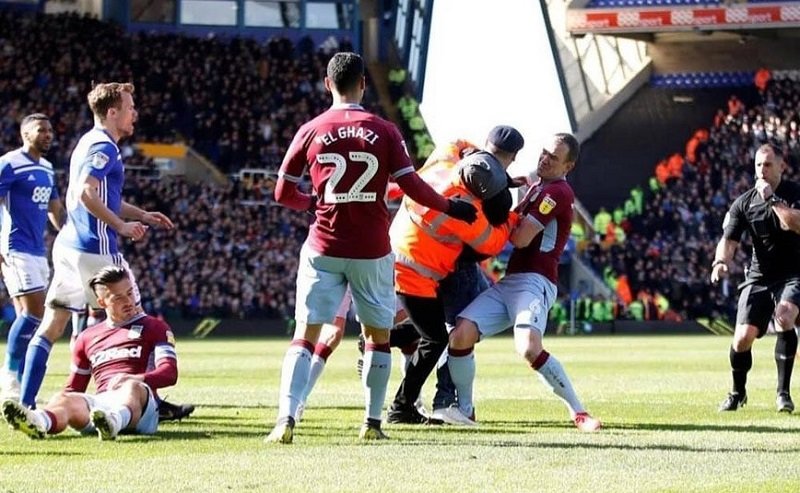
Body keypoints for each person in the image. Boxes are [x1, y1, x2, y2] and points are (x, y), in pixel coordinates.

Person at [266, 52, 477, 443]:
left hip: (323, 245)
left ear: (328, 84)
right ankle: (371, 423)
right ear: (363, 83)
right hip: (372, 250)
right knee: (377, 337)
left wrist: (314, 203)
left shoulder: (309, 129)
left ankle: (285, 419)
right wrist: (451, 207)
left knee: (305, 335)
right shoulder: (384, 130)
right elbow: (412, 187)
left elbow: (282, 193)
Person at [18, 82, 175, 409]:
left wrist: (142, 214)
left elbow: (104, 197)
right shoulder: (105, 147)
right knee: (135, 318)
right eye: (130, 107)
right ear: (112, 112)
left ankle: (26, 402)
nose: (135, 113)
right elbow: (87, 194)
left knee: (54, 324)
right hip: (96, 247)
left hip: (68, 245)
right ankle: (149, 401)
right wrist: (121, 226)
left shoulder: (88, 142)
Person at [445, 133, 602, 432]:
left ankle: (579, 412)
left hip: (535, 281)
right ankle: (465, 410)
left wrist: (493, 209)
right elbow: (514, 205)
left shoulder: (558, 192)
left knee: (528, 347)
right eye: (543, 152)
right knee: (461, 334)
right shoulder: (538, 186)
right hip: (511, 281)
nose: (544, 159)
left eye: (553, 158)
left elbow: (519, 237)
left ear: (567, 166)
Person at [387, 126, 524, 424]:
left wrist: (477, 154)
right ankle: (401, 407)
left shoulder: (444, 161)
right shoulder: (467, 212)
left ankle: (382, 340)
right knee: (436, 338)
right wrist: (513, 216)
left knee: (431, 327)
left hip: (395, 249)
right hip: (416, 272)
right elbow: (494, 242)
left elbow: (456, 141)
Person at [2, 265, 178, 440]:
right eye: (118, 298)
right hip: (101, 409)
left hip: (142, 409)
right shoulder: (87, 337)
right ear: (101, 302)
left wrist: (136, 378)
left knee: (132, 387)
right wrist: (64, 400)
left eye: (130, 293)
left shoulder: (155, 327)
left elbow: (169, 373)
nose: (128, 302)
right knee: (63, 398)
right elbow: (75, 387)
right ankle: (39, 421)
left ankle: (114, 421)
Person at [711, 143, 800, 413]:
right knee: (741, 339)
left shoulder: (794, 193)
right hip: (759, 277)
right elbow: (729, 239)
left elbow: (795, 223)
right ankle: (738, 393)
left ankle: (782, 394)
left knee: (784, 316)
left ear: (781, 166)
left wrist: (772, 200)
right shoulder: (744, 202)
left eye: (768, 164)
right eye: (758, 165)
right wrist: (720, 262)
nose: (762, 170)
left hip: (793, 274)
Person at [0, 114, 64, 399]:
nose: (48, 134)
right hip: (15, 247)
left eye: (50, 130)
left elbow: (54, 207)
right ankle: (10, 378)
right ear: (26, 134)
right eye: (42, 130)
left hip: (39, 250)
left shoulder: (48, 169)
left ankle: (20, 381)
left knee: (26, 316)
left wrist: (65, 231)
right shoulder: (9, 163)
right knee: (36, 313)